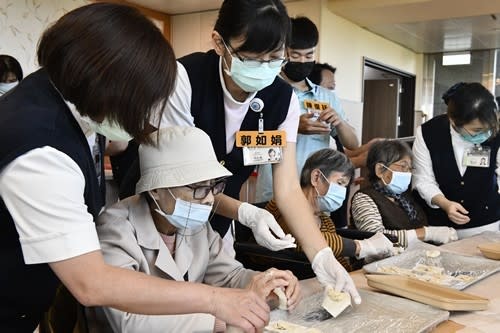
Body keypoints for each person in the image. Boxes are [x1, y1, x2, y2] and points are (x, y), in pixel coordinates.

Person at [0, 3, 271, 333]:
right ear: (104, 83)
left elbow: (113, 144)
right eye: (139, 102)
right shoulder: (41, 146)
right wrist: (214, 301)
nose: (142, 116)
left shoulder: (69, 95)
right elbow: (92, 284)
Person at [161, 0, 361, 304]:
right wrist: (245, 212)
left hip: (215, 228)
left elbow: (289, 188)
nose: (265, 69)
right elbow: (179, 182)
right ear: (219, 43)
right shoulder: (184, 79)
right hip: (164, 217)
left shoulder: (283, 100)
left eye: (275, 59)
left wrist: (321, 255)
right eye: (253, 59)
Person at [91, 127, 300, 333]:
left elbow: (229, 277)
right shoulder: (114, 230)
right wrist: (220, 321)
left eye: (213, 186)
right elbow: (128, 321)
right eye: (198, 188)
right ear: (155, 189)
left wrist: (268, 283)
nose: (209, 198)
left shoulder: (193, 223)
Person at [255, 16, 359, 203]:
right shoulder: (264, 91)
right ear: (283, 52)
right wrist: (292, 128)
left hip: (316, 195)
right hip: (273, 195)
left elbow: (353, 143)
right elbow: (249, 142)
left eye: (309, 56)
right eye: (295, 56)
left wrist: (340, 123)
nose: (302, 61)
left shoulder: (326, 97)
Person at [265, 148, 395, 270]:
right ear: (316, 177)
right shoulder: (285, 204)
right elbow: (300, 239)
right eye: (339, 183)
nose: (342, 192)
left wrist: (364, 262)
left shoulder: (325, 222)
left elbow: (337, 262)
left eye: (345, 186)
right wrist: (363, 246)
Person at [413, 82, 500, 239]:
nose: (486, 135)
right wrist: (445, 203)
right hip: (441, 230)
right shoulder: (428, 133)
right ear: (453, 121)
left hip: (488, 224)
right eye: (478, 131)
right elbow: (423, 179)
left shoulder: (496, 132)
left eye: (490, 128)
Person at [351, 140, 458, 248]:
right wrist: (427, 233)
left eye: (410, 169)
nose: (408, 173)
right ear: (379, 170)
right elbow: (376, 238)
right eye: (403, 167)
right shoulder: (363, 198)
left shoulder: (404, 196)